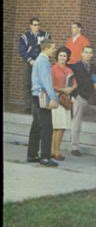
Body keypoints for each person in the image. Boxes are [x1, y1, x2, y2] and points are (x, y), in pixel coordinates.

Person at [27, 39, 59, 167]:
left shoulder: (38, 60)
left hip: (35, 95)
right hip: (42, 95)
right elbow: (47, 82)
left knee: (36, 125)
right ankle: (45, 157)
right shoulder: (44, 61)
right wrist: (53, 98)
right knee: (47, 127)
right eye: (53, 47)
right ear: (46, 48)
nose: (54, 49)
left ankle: (32, 154)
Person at [70, 46, 96, 157]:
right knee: (76, 122)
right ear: (81, 54)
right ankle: (74, 147)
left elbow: (95, 80)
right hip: (79, 96)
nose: (88, 54)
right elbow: (71, 81)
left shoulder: (93, 67)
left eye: (90, 52)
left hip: (89, 97)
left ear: (92, 55)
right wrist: (73, 95)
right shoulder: (76, 66)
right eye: (86, 52)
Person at [19, 17, 51, 113]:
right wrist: (30, 60)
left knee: (41, 83)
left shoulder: (45, 35)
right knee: (28, 83)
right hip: (29, 62)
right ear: (30, 26)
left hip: (41, 62)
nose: (37, 27)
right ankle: (28, 107)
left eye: (38, 25)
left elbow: (49, 48)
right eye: (35, 25)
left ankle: (39, 105)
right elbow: (22, 51)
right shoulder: (25, 37)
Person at [50, 46, 77, 160]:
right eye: (60, 55)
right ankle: (55, 152)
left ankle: (53, 151)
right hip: (57, 99)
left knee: (62, 127)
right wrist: (62, 90)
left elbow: (75, 83)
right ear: (57, 56)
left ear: (67, 58)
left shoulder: (69, 70)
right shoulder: (53, 69)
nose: (62, 57)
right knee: (58, 127)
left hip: (66, 100)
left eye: (65, 56)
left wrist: (71, 89)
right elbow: (50, 85)